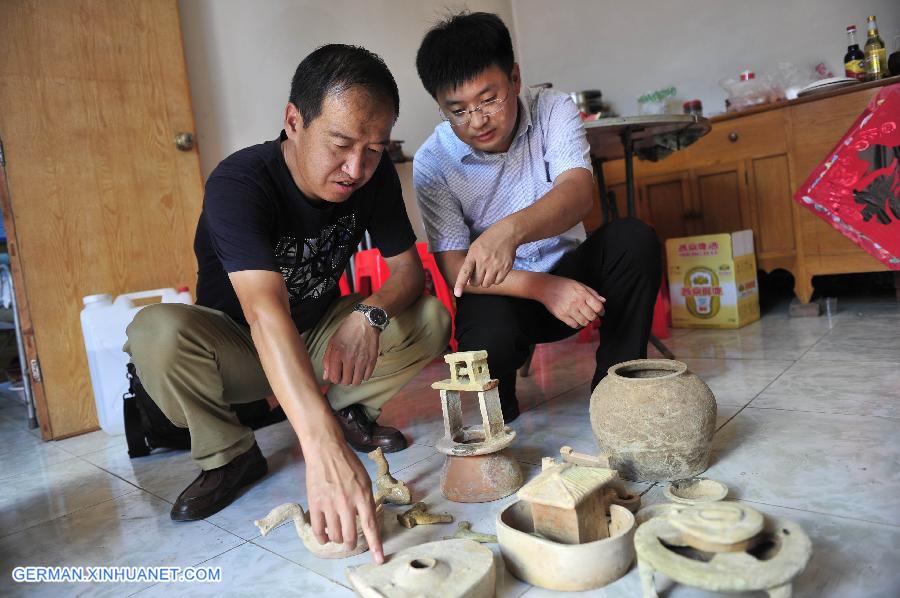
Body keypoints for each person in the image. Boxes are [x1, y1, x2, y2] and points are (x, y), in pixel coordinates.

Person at [125, 44, 450, 563]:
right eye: (340, 143)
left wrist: (368, 315)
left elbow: (408, 272)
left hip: (320, 331)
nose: (356, 166)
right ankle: (230, 456)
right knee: (154, 331)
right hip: (239, 347)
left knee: (428, 316)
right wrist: (322, 452)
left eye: (374, 148)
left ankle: (349, 411)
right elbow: (263, 313)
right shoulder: (239, 183)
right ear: (294, 121)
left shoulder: (374, 174)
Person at [413, 12, 660, 422]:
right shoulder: (432, 161)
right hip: (505, 293)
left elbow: (579, 193)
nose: (476, 121)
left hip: (576, 280)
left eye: (488, 99)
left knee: (633, 241)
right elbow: (456, 268)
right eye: (456, 110)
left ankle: (617, 392)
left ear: (514, 78)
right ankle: (503, 401)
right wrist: (544, 287)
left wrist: (509, 233)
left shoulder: (552, 108)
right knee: (488, 344)